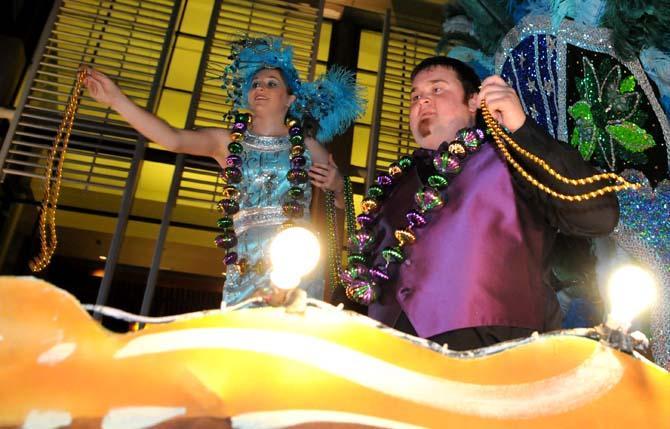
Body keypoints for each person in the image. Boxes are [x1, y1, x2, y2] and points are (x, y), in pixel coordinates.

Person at [333, 56, 620, 351]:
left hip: (493, 350)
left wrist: (521, 127)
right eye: (416, 96)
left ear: (473, 101)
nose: (422, 102)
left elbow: (598, 215)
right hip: (389, 352)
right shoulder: (390, 185)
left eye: (437, 90)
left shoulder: (509, 157)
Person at [84, 36, 364, 306]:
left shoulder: (307, 146)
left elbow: (341, 201)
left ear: (289, 99)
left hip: (295, 259)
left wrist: (338, 185)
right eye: (255, 83)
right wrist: (116, 101)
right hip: (244, 261)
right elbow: (172, 138)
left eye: (271, 83)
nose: (260, 88)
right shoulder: (227, 143)